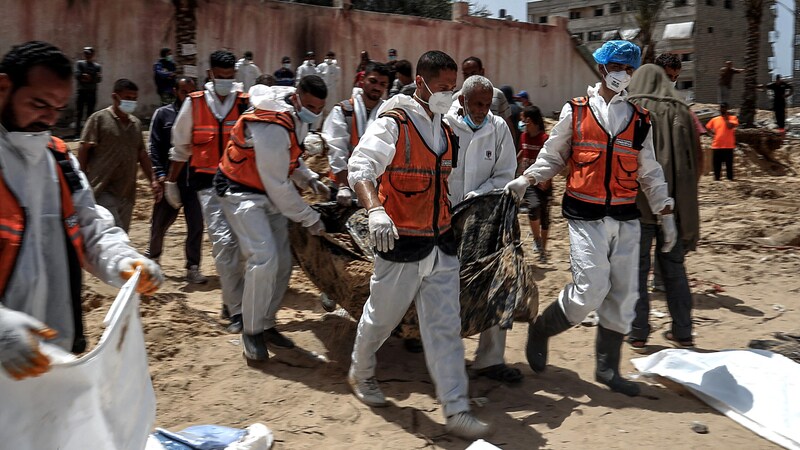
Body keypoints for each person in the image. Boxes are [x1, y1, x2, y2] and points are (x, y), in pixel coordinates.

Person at [504, 40, 675, 397]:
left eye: (629, 70)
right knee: (590, 290)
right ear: (601, 69)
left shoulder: (641, 119)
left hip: (626, 215)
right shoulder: (576, 111)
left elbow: (650, 171)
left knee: (624, 295)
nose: (623, 76)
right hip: (585, 213)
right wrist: (529, 177)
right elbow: (553, 156)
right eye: (617, 69)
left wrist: (665, 211)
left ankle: (607, 367)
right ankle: (542, 329)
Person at [347, 50, 491, 439]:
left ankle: (456, 408)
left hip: (440, 243)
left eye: (453, 87)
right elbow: (360, 167)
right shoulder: (394, 122)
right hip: (402, 243)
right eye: (444, 88)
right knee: (382, 318)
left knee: (445, 327)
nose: (451, 94)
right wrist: (375, 210)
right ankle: (360, 372)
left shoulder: (444, 129)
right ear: (422, 83)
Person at [0, 40, 162, 380]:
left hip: (49, 355)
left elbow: (90, 226)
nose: (48, 118)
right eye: (39, 104)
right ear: (3, 87)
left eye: (58, 108)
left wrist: (121, 259)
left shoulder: (59, 160)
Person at [215, 77, 330, 361]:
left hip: (266, 188)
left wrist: (310, 178)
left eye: (320, 108)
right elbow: (278, 184)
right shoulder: (271, 126)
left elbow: (289, 159)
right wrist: (310, 217)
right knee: (263, 258)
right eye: (312, 106)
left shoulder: (293, 116)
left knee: (283, 262)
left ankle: (266, 323)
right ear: (298, 97)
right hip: (241, 191)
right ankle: (251, 331)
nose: (315, 113)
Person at [166, 50, 250, 332]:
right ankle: (237, 311)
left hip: (241, 184)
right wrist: (170, 182)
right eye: (220, 76)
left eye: (230, 77)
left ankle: (230, 298)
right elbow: (180, 148)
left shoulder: (244, 103)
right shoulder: (195, 103)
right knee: (224, 244)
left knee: (241, 246)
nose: (225, 81)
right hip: (208, 185)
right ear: (211, 74)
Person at [444, 75, 519, 384]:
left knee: (495, 281)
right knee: (440, 286)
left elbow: (506, 172)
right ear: (462, 100)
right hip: (443, 217)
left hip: (484, 219)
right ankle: (435, 350)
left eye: (487, 105)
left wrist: (480, 194)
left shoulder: (498, 128)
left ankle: (490, 359)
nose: (482, 110)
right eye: (477, 103)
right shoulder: (443, 125)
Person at [626, 64, 702, 350]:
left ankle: (637, 332)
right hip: (674, 207)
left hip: (636, 206)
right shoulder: (681, 110)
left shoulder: (629, 108)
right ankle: (683, 332)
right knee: (674, 269)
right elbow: (695, 161)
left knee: (636, 268)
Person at [145, 77, 207, 284]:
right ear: (175, 91)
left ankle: (193, 266)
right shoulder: (163, 114)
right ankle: (153, 260)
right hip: (169, 178)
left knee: (196, 224)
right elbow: (154, 146)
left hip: (194, 181)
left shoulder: (203, 116)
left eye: (191, 91)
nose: (187, 96)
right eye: (183, 92)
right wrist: (160, 175)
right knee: (160, 224)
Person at [78, 78, 160, 232]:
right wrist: (82, 179)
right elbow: (84, 148)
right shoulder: (99, 119)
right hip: (103, 188)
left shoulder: (135, 124)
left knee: (121, 235)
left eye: (134, 99)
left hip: (127, 192)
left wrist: (153, 181)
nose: (132, 102)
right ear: (115, 97)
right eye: (127, 98)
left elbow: (141, 154)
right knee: (114, 233)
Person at [323, 61, 390, 206]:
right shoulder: (343, 110)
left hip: (375, 188)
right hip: (343, 188)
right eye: (373, 81)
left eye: (382, 84)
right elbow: (336, 149)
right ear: (362, 80)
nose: (377, 87)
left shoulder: (388, 114)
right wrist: (343, 186)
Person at [517, 105, 551, 263]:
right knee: (534, 207)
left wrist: (547, 180)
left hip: (543, 182)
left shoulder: (544, 139)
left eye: (523, 119)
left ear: (530, 120)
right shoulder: (523, 136)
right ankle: (537, 240)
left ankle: (542, 250)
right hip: (528, 180)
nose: (521, 122)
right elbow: (523, 151)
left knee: (545, 219)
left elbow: (551, 161)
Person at [458, 57, 511, 128]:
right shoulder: (457, 97)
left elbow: (507, 123)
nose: (469, 77)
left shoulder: (497, 95)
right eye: (466, 74)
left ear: (482, 71)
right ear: (461, 100)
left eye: (473, 73)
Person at [705, 103, 738, 181]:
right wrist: (711, 135)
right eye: (721, 108)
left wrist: (726, 118)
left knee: (729, 165)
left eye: (724, 108)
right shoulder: (715, 119)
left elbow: (730, 127)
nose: (722, 109)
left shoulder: (733, 118)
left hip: (728, 146)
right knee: (717, 164)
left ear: (727, 109)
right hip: (717, 145)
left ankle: (730, 179)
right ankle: (717, 179)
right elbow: (707, 127)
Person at [74, 46, 101, 137]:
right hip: (82, 92)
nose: (87, 55)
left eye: (89, 54)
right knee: (79, 113)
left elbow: (98, 79)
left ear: (92, 54)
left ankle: (88, 133)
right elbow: (77, 75)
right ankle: (77, 132)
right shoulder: (80, 64)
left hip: (91, 92)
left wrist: (88, 78)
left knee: (90, 114)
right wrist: (85, 77)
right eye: (85, 53)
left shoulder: (97, 66)